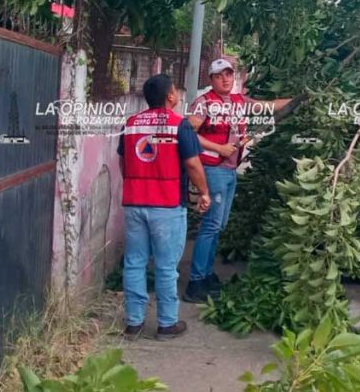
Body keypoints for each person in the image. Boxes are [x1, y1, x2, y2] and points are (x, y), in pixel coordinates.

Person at [182, 58, 294, 303]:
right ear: (211, 79)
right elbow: (187, 132)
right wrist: (218, 148)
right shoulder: (203, 104)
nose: (226, 79)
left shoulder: (238, 102)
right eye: (220, 75)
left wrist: (300, 100)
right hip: (214, 170)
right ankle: (196, 282)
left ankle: (207, 274)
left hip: (230, 171)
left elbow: (268, 106)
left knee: (219, 226)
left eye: (229, 74)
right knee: (211, 226)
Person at [118, 74, 211, 340]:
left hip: (134, 203)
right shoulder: (179, 125)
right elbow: (193, 164)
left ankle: (134, 323)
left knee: (134, 263)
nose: (178, 95)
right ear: (170, 96)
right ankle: (166, 324)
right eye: (176, 91)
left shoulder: (131, 124)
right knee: (166, 266)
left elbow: (124, 163)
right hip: (167, 205)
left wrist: (135, 184)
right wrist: (204, 192)